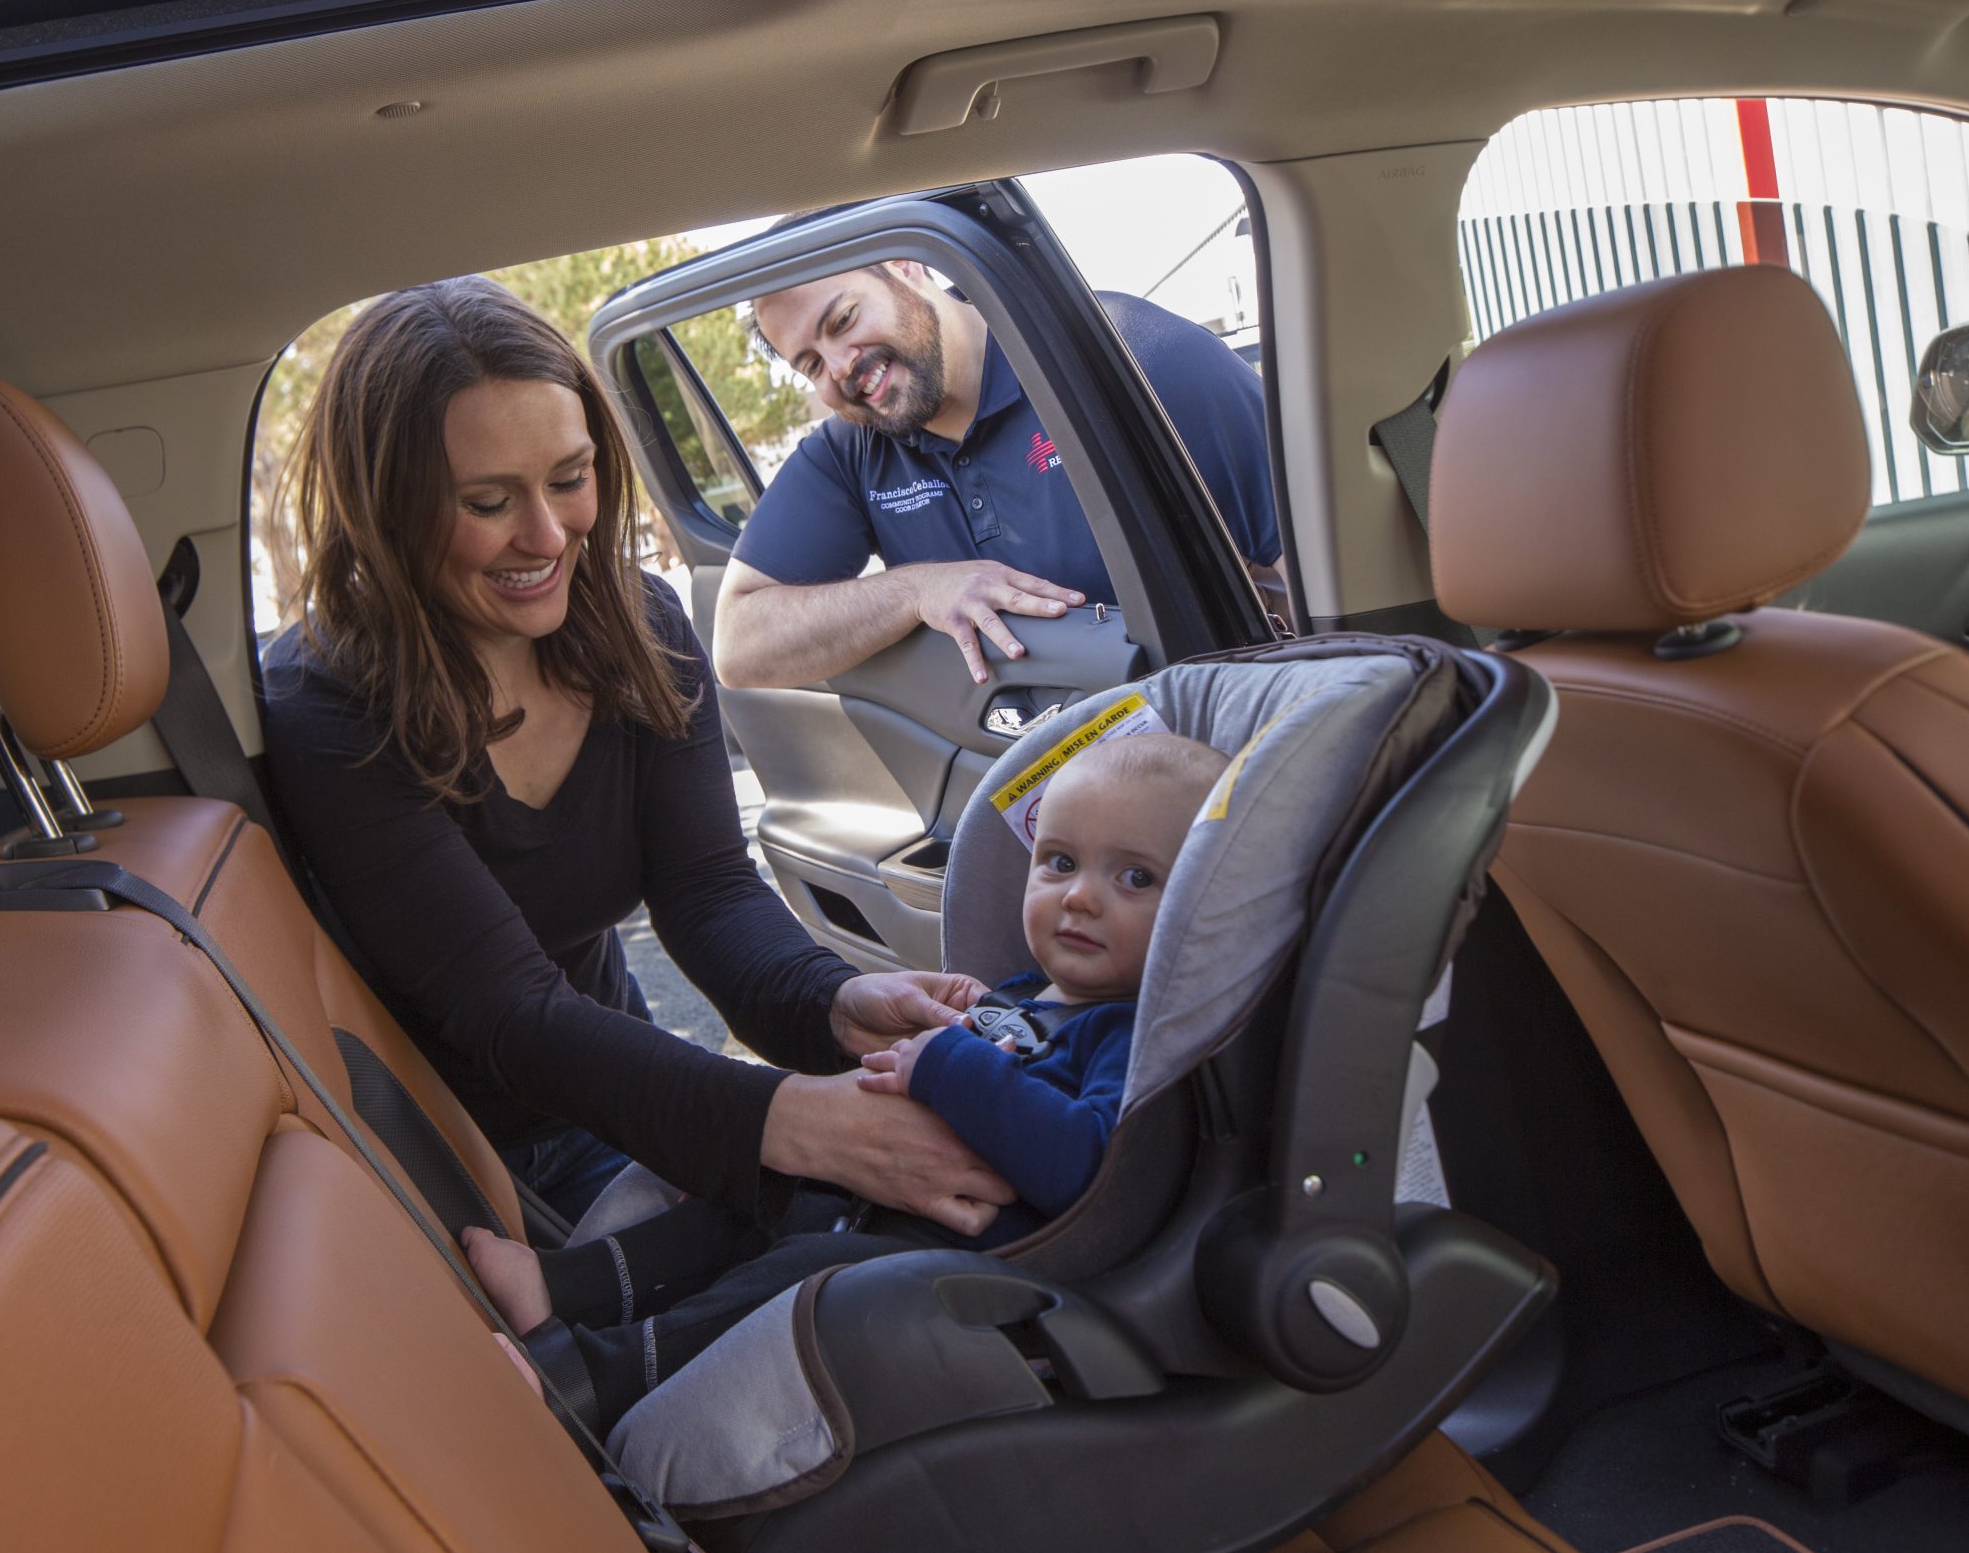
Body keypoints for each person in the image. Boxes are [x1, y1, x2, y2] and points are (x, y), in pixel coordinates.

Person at [259, 277, 1015, 1230]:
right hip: (431, 1158)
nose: (547, 536)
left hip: (618, 1096)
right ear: (388, 508)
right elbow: (502, 1006)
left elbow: (704, 890)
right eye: (488, 501)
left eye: (570, 478)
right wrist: (789, 1121)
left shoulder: (639, 622)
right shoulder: (325, 697)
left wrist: (833, 1001)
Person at [461, 731, 1231, 1432]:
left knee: (788, 1280)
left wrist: (948, 1062)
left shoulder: (1129, 1032)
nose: (1080, 896)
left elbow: (1084, 1168)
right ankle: (563, 1287)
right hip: (879, 1194)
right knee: (747, 1193)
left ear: (1198, 910)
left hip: (946, 1255)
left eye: (1134, 876)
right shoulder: (1027, 992)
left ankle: (596, 1376)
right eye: (1059, 862)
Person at [715, 258, 1281, 689]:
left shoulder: (1133, 359)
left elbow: (1326, 571)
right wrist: (919, 589)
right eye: (811, 363)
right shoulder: (851, 453)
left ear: (904, 265)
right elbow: (738, 646)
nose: (840, 368)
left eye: (843, 320)